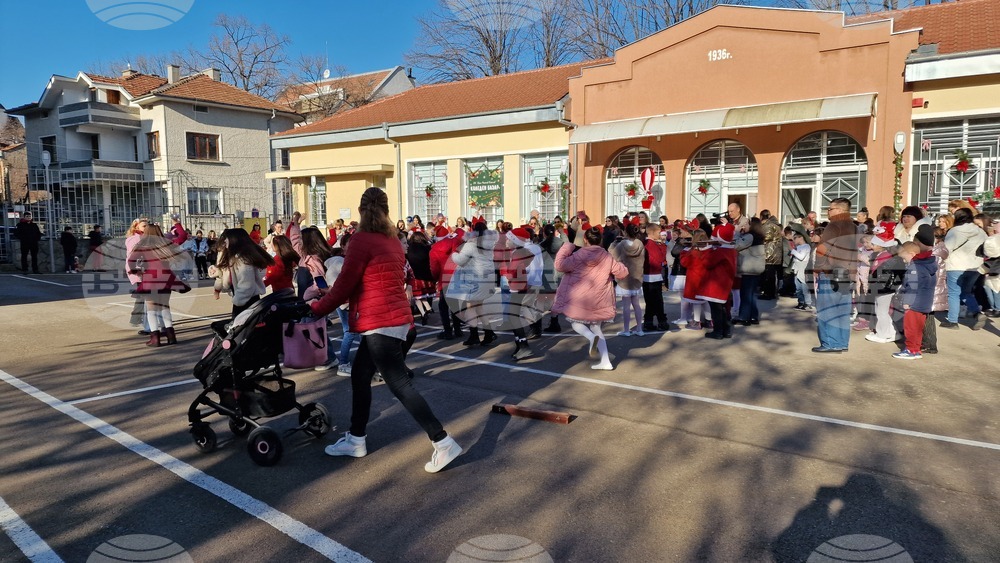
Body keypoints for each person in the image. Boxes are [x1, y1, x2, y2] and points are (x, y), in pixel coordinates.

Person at [311, 187, 462, 473]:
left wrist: (318, 308)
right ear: (387, 209)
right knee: (360, 375)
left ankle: (443, 442)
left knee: (400, 385)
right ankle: (356, 439)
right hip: (394, 319)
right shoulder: (392, 240)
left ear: (360, 210)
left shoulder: (361, 241)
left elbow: (345, 283)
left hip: (379, 321)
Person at [552, 218, 628, 370]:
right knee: (596, 327)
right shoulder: (606, 256)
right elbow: (622, 273)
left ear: (585, 239)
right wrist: (617, 264)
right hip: (599, 298)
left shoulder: (579, 255)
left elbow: (560, 265)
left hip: (580, 297)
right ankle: (605, 360)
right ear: (600, 240)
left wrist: (566, 247)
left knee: (575, 322)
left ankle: (592, 339)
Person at [128, 224, 189, 346]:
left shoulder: (142, 245)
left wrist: (136, 271)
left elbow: (131, 261)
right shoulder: (166, 244)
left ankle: (155, 338)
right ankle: (171, 336)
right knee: (165, 307)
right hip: (167, 278)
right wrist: (176, 223)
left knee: (151, 310)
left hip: (151, 279)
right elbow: (182, 236)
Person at [812, 198, 858, 353]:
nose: (828, 211)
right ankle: (841, 342)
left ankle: (830, 343)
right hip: (848, 274)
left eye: (830, 209)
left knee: (827, 310)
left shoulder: (833, 226)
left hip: (830, 273)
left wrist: (817, 269)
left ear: (839, 210)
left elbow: (823, 249)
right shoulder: (853, 226)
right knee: (842, 311)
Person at [450, 219, 499, 347]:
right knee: (479, 306)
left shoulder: (471, 245)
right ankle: (489, 333)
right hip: (487, 279)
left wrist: (454, 254)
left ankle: (474, 335)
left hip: (475, 280)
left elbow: (460, 260)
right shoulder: (489, 244)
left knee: (470, 307)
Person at [942, 207, 987, 330]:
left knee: (954, 293)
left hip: (956, 266)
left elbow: (947, 249)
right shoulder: (981, 232)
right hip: (975, 267)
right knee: (966, 292)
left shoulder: (954, 231)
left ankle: (952, 321)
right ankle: (977, 313)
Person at [212, 228, 273, 318]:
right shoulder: (234, 256)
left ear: (235, 240)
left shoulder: (242, 259)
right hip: (244, 298)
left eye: (227, 238)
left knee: (243, 328)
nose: (225, 241)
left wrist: (237, 301)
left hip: (247, 301)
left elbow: (246, 285)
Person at [893, 241, 936, 360]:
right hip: (925, 302)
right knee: (918, 328)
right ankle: (916, 349)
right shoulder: (927, 266)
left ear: (911, 254)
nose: (903, 260)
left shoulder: (914, 267)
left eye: (904, 257)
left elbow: (912, 286)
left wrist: (907, 302)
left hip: (914, 303)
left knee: (910, 328)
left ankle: (910, 349)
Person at [865, 223, 904, 344]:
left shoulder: (886, 256)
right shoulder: (882, 255)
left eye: (874, 243)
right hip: (883, 287)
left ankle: (882, 334)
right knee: (882, 310)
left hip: (884, 288)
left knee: (881, 311)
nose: (872, 245)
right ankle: (891, 332)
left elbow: (880, 273)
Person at [698, 223, 738, 339]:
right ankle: (726, 330)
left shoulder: (721, 252)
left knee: (716, 309)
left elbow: (707, 263)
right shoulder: (731, 250)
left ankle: (718, 331)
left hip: (717, 284)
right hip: (725, 283)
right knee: (723, 308)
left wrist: (707, 250)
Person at [430, 225, 466, 340]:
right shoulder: (456, 242)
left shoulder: (434, 249)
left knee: (443, 306)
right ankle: (458, 329)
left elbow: (434, 269)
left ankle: (447, 331)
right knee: (455, 305)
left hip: (444, 280)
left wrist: (435, 279)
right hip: (457, 277)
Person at [610, 220, 646, 336]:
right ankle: (639, 329)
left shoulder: (621, 245)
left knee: (626, 306)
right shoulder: (640, 245)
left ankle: (626, 330)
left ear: (625, 232)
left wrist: (614, 243)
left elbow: (612, 255)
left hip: (625, 278)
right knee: (636, 304)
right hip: (637, 277)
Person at [289, 212, 333, 299]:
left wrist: (308, 295)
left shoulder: (312, 259)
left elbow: (319, 280)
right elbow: (295, 240)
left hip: (311, 299)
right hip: (306, 296)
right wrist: (296, 223)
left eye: (302, 238)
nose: (300, 241)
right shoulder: (305, 255)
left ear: (308, 242)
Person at [641, 223, 671, 331]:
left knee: (650, 302)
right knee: (657, 302)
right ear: (653, 233)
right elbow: (660, 258)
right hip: (652, 276)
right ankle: (661, 322)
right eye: (658, 232)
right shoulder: (651, 244)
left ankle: (648, 322)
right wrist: (662, 245)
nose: (660, 234)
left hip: (649, 276)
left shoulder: (647, 243)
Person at [734, 220, 765, 325]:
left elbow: (736, 246)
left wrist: (737, 232)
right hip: (755, 269)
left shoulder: (750, 236)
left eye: (747, 224)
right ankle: (753, 316)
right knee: (751, 295)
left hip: (749, 268)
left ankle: (744, 317)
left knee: (745, 294)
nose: (744, 226)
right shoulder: (757, 236)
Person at [538, 223, 564, 333]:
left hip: (545, 272)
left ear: (544, 233)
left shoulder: (541, 245)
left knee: (540, 299)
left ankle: (537, 325)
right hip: (558, 272)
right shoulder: (561, 243)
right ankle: (554, 322)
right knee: (555, 299)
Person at [759, 210, 784, 300]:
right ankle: (769, 292)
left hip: (770, 253)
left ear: (761, 217)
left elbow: (766, 237)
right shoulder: (774, 224)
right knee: (771, 275)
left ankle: (768, 293)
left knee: (769, 275)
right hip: (774, 252)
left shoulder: (769, 225)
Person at [790, 232, 813, 311]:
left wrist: (793, 251)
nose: (794, 240)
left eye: (795, 238)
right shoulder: (799, 247)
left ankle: (807, 303)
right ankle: (800, 302)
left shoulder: (806, 247)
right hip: (797, 267)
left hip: (803, 267)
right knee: (798, 286)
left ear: (801, 238)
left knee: (804, 286)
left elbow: (801, 257)